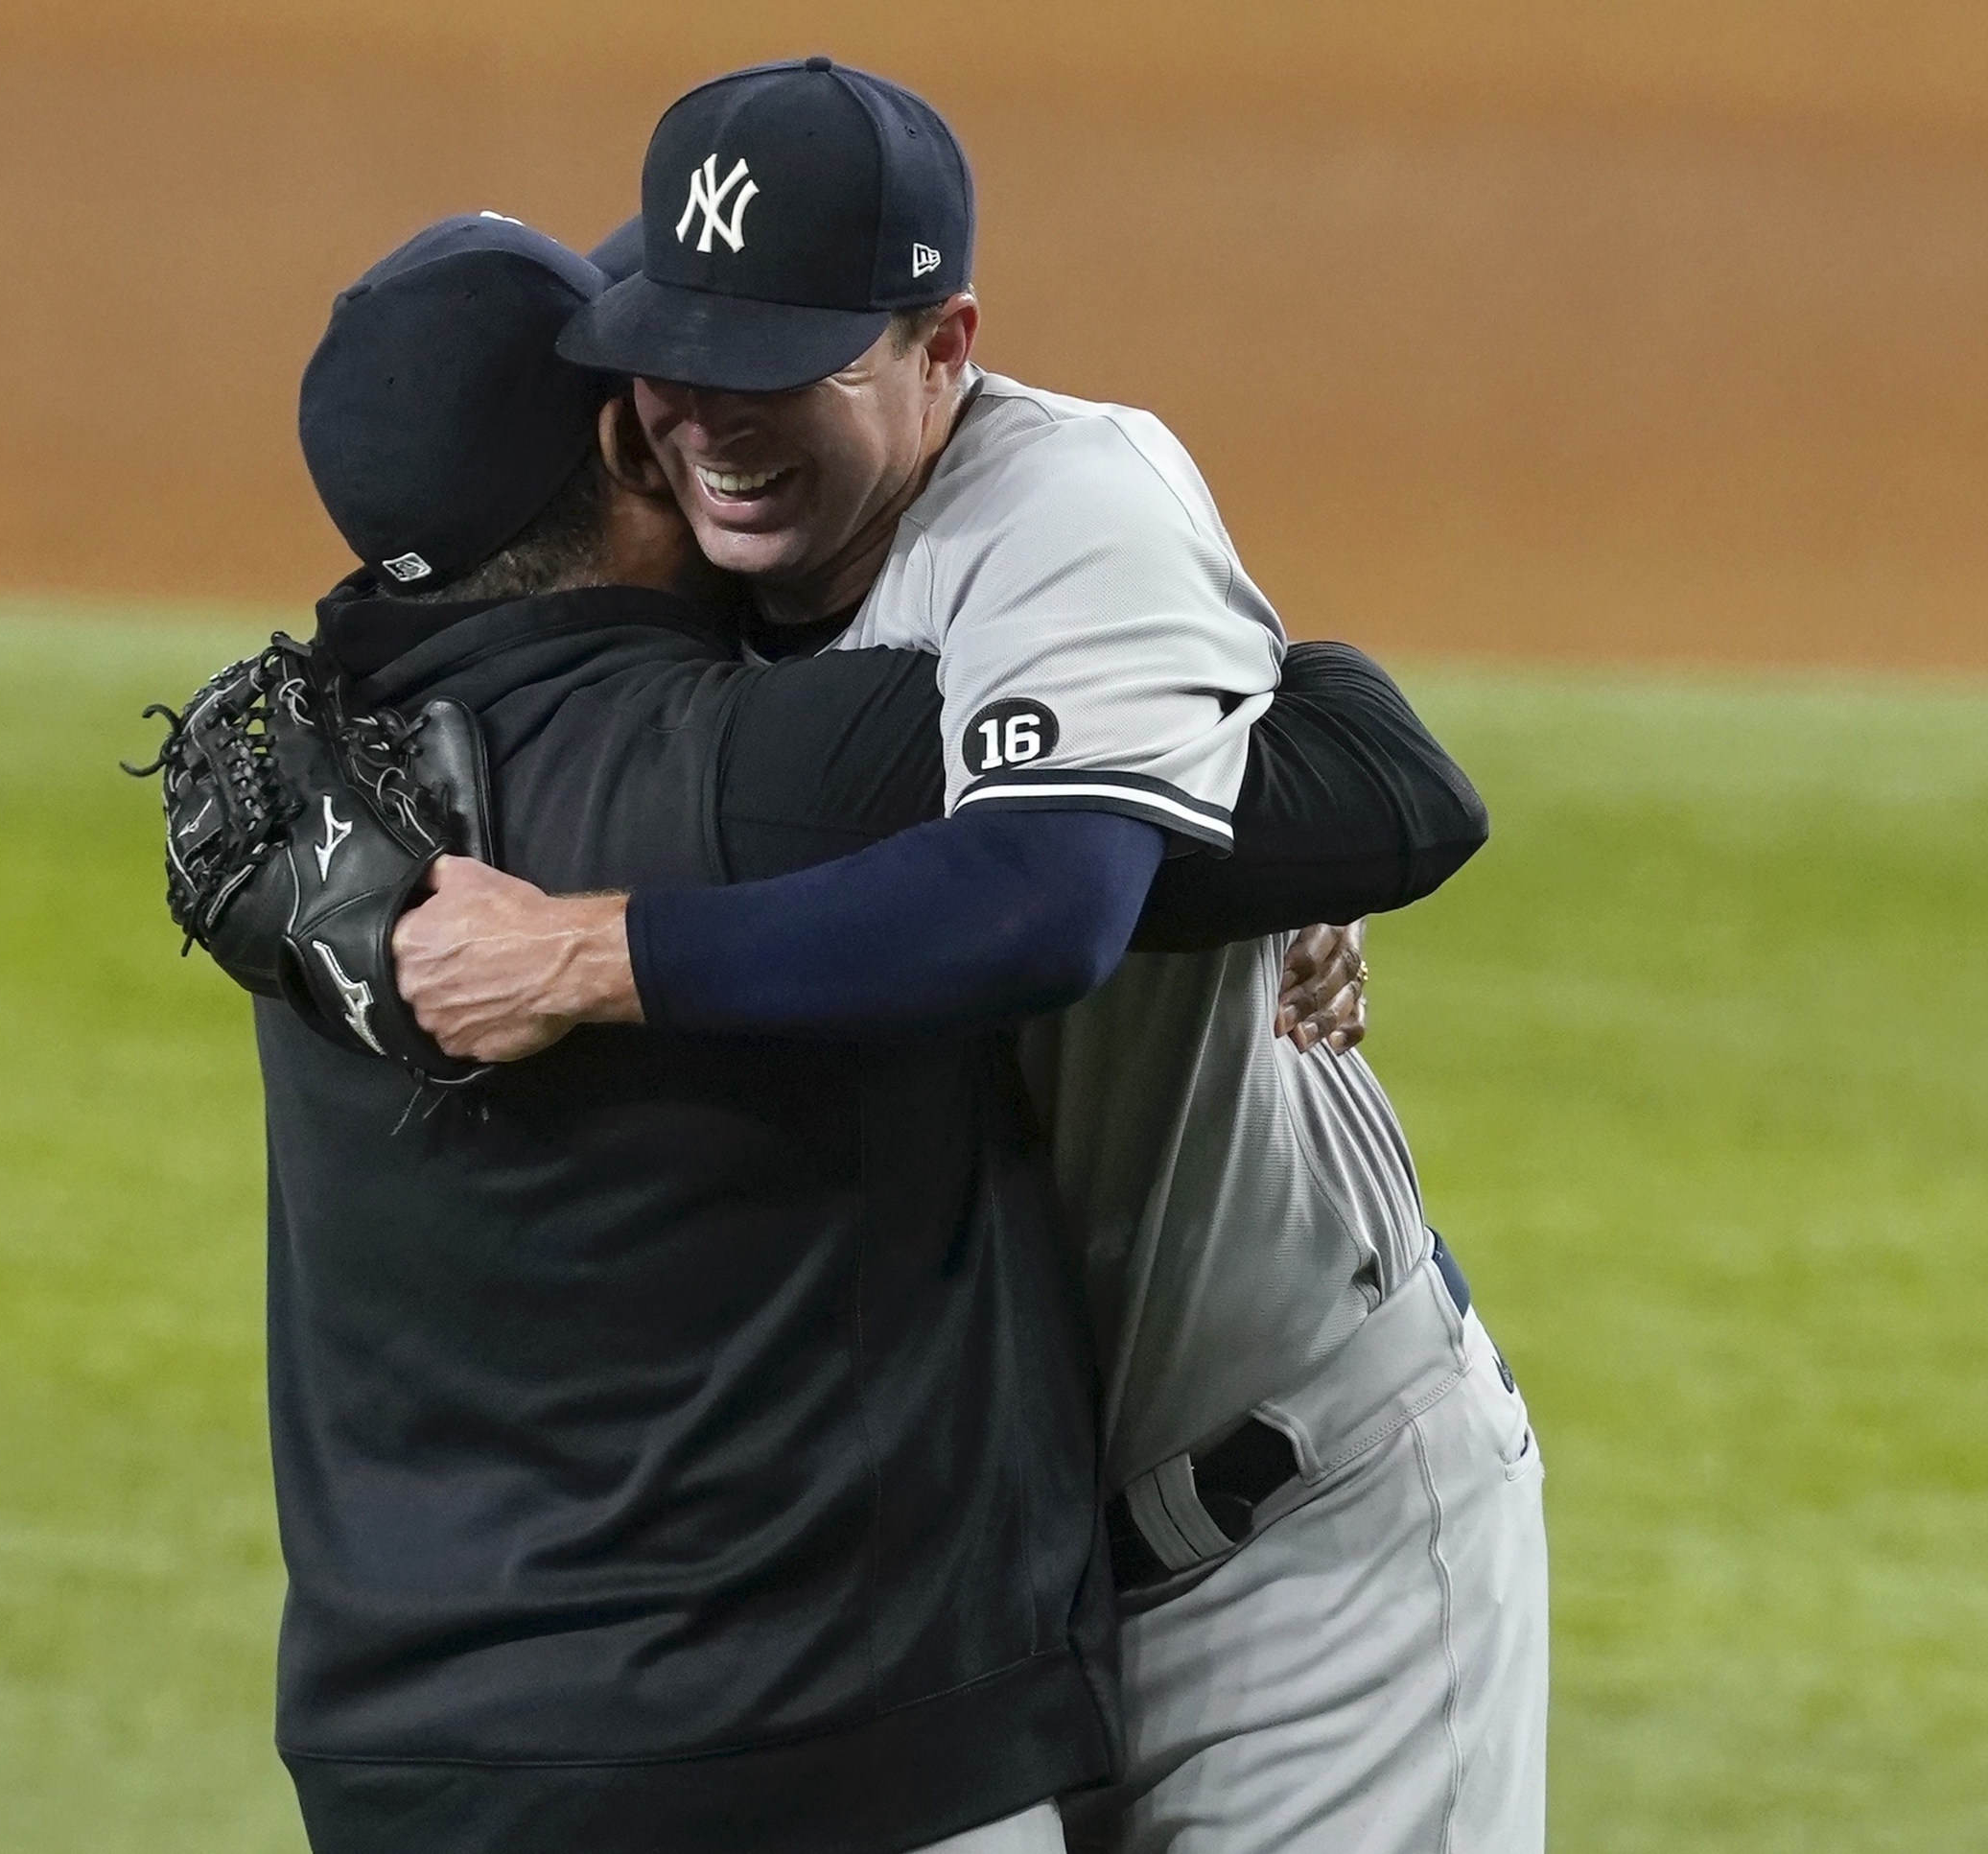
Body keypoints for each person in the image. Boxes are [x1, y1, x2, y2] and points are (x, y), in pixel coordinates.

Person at [392, 60, 1550, 1854]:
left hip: (1296, 1551)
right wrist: (1251, 840)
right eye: (681, 348)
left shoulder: (1060, 503)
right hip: (970, 1626)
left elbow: (1047, 900)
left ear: (944, 347)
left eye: (785, 361)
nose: (717, 414)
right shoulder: (697, 557)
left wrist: (596, 956)